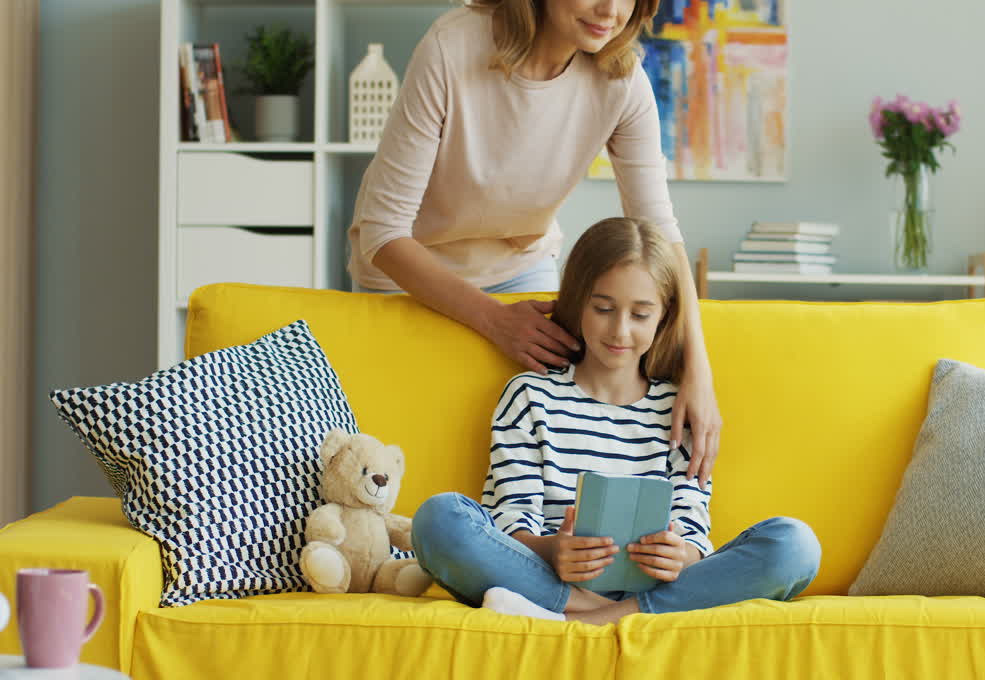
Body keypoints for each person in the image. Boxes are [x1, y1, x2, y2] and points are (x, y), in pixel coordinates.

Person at [346, 0, 722, 483]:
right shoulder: (452, 46)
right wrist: (493, 319)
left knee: (543, 430)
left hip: (520, 266)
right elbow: (383, 231)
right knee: (403, 447)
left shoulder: (622, 79)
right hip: (406, 272)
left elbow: (661, 235)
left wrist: (700, 374)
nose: (611, 10)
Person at [411, 218, 821, 625]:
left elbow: (693, 521)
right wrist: (555, 551)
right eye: (603, 309)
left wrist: (682, 554)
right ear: (577, 302)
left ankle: (590, 617)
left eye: (641, 315)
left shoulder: (681, 407)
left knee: (795, 545)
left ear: (664, 317)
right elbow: (510, 518)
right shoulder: (530, 395)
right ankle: (594, 609)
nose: (620, 330)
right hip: (548, 575)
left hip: (656, 587)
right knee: (440, 519)